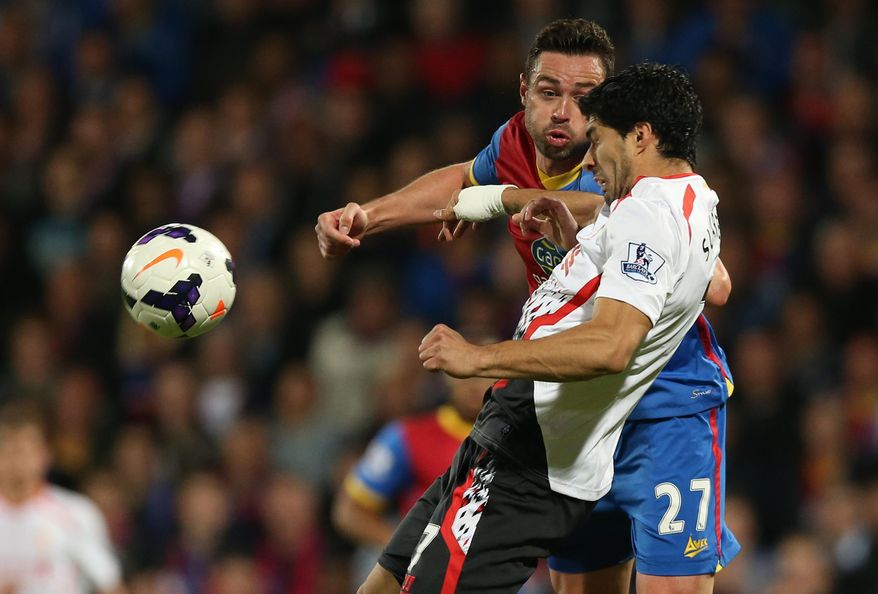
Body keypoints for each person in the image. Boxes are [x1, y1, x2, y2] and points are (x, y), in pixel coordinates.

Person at [317, 19, 737, 594]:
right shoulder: (516, 145)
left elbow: (711, 279)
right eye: (549, 93)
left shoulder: (636, 183)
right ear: (524, 92)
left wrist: (499, 202)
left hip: (658, 401)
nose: (565, 113)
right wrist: (364, 217)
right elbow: (459, 182)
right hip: (567, 400)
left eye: (584, 101)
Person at [332, 373, 493, 549]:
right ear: (447, 376)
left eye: (487, 371)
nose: (475, 382)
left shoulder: (523, 440)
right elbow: (348, 511)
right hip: (432, 573)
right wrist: (406, 552)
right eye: (464, 371)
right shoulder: (407, 437)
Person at [0, 401, 126, 594]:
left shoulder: (75, 514)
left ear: (44, 455)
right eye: (7, 449)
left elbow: (109, 584)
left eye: (24, 449)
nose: (16, 460)